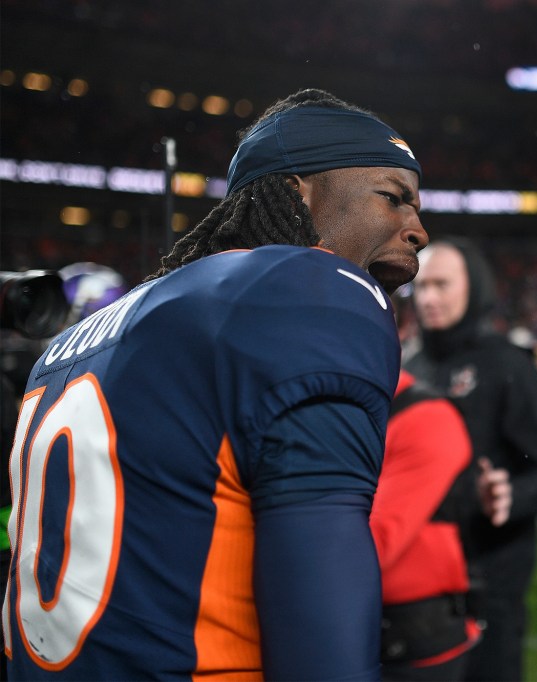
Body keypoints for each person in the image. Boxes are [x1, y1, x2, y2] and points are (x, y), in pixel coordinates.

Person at [3, 88, 428, 679]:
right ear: (296, 189)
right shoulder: (309, 290)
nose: (418, 229)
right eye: (394, 198)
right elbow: (324, 638)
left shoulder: (69, 344)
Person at [404, 238, 537, 682]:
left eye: (442, 285)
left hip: (491, 579)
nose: (429, 298)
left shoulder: (505, 365)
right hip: (422, 583)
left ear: (473, 286)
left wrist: (508, 495)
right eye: (421, 287)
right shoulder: (410, 365)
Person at [371, 369, 480, 680]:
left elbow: (376, 543)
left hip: (413, 637)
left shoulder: (427, 418)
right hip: (358, 624)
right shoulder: (345, 408)